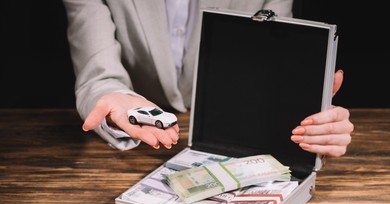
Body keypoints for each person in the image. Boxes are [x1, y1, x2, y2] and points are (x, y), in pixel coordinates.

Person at [63, 0, 353, 157]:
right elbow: (98, 75)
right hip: (138, 149)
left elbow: (274, 75)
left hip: (229, 132)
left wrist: (312, 120)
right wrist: (115, 100)